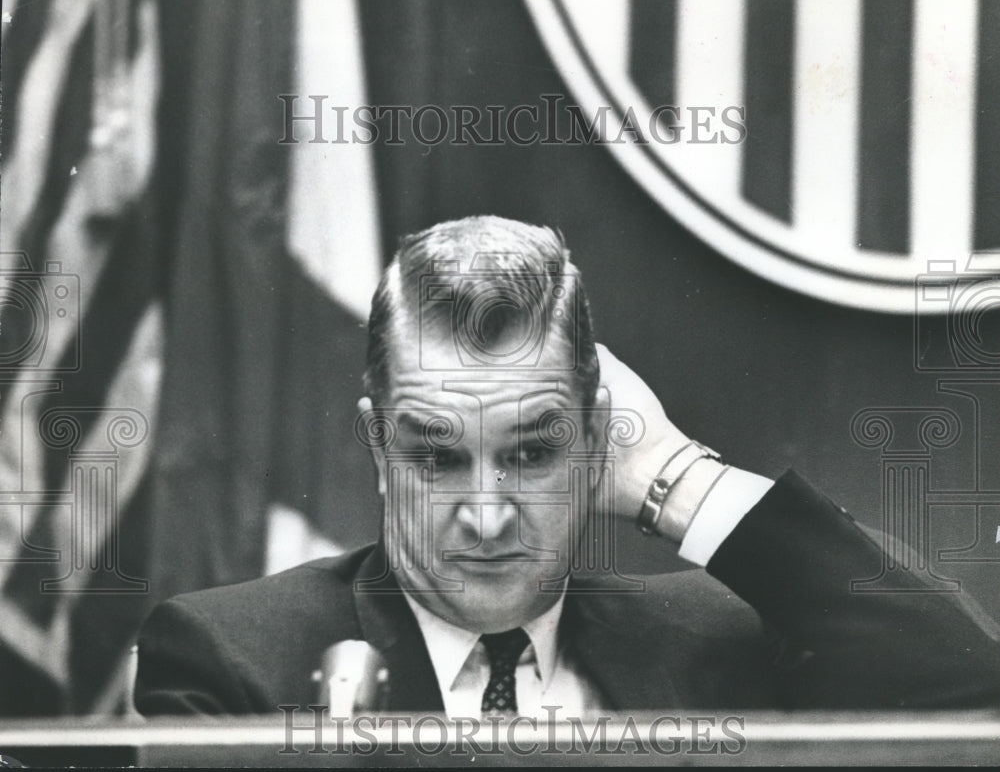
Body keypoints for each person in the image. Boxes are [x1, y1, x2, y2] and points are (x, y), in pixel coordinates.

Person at [135, 216, 1000, 717]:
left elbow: (966, 683)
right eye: (437, 456)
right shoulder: (234, 657)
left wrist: (671, 472)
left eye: (531, 452)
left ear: (591, 441)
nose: (485, 513)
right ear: (376, 446)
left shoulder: (725, 634)